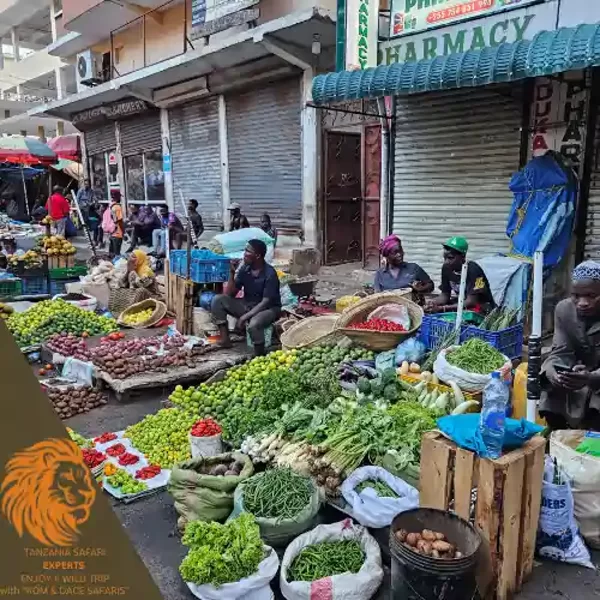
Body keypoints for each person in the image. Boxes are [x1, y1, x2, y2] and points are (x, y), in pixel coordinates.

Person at [540, 261, 600, 432]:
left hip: (595, 376)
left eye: (591, 296)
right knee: (549, 381)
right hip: (580, 371)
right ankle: (559, 438)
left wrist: (590, 377)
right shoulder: (564, 310)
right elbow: (561, 351)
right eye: (576, 296)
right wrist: (557, 374)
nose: (582, 302)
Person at [211, 239, 281, 357]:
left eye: (247, 251)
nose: (244, 253)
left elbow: (265, 302)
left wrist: (244, 317)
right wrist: (232, 274)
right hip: (249, 304)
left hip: (269, 309)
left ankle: (259, 355)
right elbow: (229, 294)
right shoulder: (245, 269)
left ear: (257, 255)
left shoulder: (270, 273)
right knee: (218, 300)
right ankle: (225, 340)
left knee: (254, 324)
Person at [425, 236, 495, 314]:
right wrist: (432, 303)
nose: (446, 262)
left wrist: (443, 308)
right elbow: (445, 295)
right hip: (463, 304)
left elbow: (472, 301)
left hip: (482, 309)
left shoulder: (474, 270)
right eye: (445, 258)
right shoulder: (446, 268)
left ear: (462, 257)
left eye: (450, 258)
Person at [104, 190, 125, 257]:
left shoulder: (110, 205)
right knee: (117, 254)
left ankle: (110, 264)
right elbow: (119, 221)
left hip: (111, 233)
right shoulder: (118, 207)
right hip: (118, 233)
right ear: (117, 197)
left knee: (111, 254)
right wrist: (123, 232)